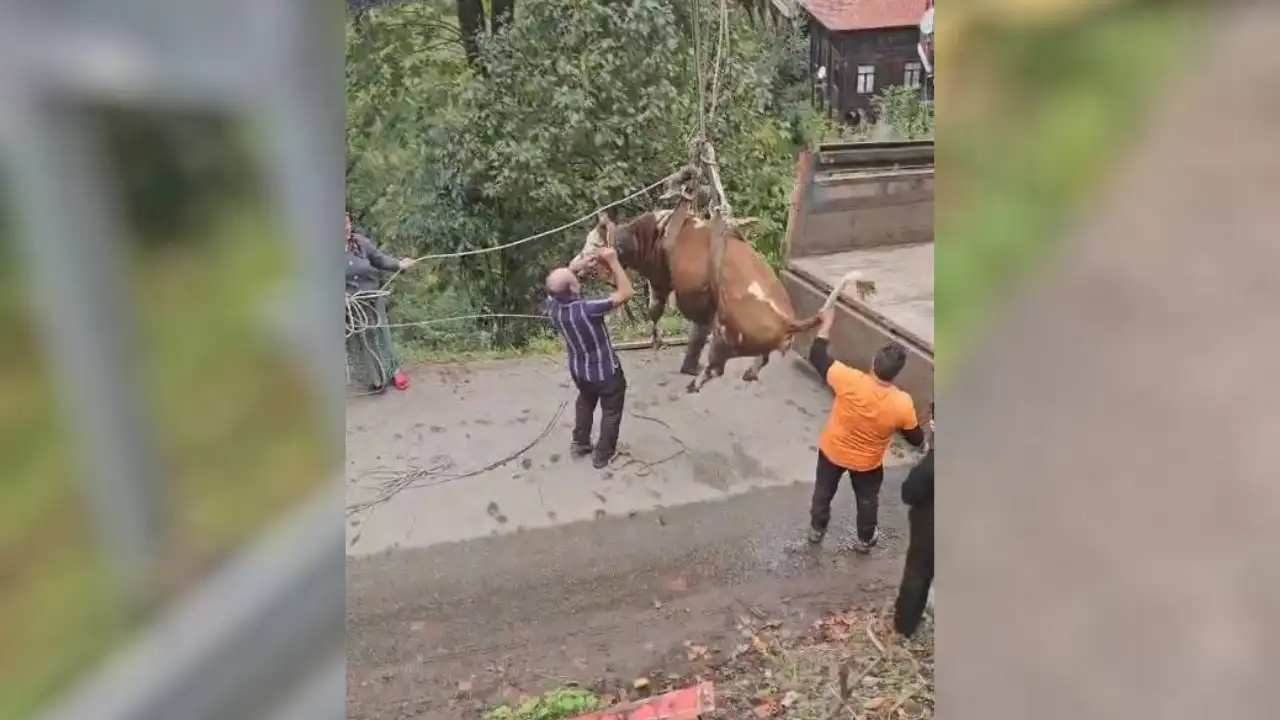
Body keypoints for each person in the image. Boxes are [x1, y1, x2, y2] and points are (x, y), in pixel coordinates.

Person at [807, 306, 926, 551]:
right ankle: (864, 540)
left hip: (832, 451)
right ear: (896, 374)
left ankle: (816, 530)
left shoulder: (848, 379)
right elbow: (915, 439)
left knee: (823, 491)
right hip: (867, 464)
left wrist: (826, 323)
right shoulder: (902, 403)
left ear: (873, 364)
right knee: (867, 500)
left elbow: (817, 354)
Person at [542, 247, 633, 469]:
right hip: (605, 372)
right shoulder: (589, 309)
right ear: (574, 287)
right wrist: (613, 262)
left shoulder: (551, 306)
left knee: (586, 400)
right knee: (611, 410)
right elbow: (626, 293)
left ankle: (580, 443)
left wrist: (578, 267)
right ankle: (603, 454)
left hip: (579, 371)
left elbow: (557, 285)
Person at [345, 211, 417, 393]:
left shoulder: (360, 243)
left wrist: (400, 265)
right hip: (350, 304)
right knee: (361, 339)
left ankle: (393, 371)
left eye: (346, 223)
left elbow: (380, 259)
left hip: (372, 297)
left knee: (380, 334)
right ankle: (374, 378)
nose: (345, 228)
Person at [894, 404, 934, 637]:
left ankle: (904, 625)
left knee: (918, 575)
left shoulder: (930, 467)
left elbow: (909, 494)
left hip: (929, 532)